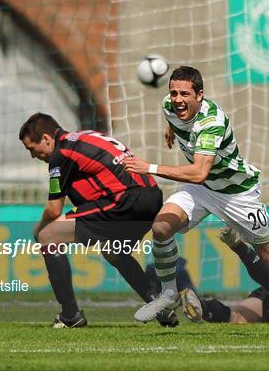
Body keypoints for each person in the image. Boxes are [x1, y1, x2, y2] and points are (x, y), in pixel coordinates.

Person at [123, 66, 269, 337]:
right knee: (161, 228)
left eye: (185, 93)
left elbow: (198, 172)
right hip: (204, 190)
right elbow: (176, 121)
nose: (178, 99)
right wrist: (171, 130)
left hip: (236, 194)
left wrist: (148, 167)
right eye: (174, 92)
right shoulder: (170, 106)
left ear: (200, 95)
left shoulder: (211, 122)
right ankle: (169, 293)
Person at [19, 112, 178, 328]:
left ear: (46, 138)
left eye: (31, 149)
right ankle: (160, 308)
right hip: (151, 197)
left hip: (125, 200)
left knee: (48, 237)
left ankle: (70, 315)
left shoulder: (61, 153)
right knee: (114, 251)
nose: (33, 156)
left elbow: (53, 209)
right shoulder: (85, 137)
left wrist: (38, 230)